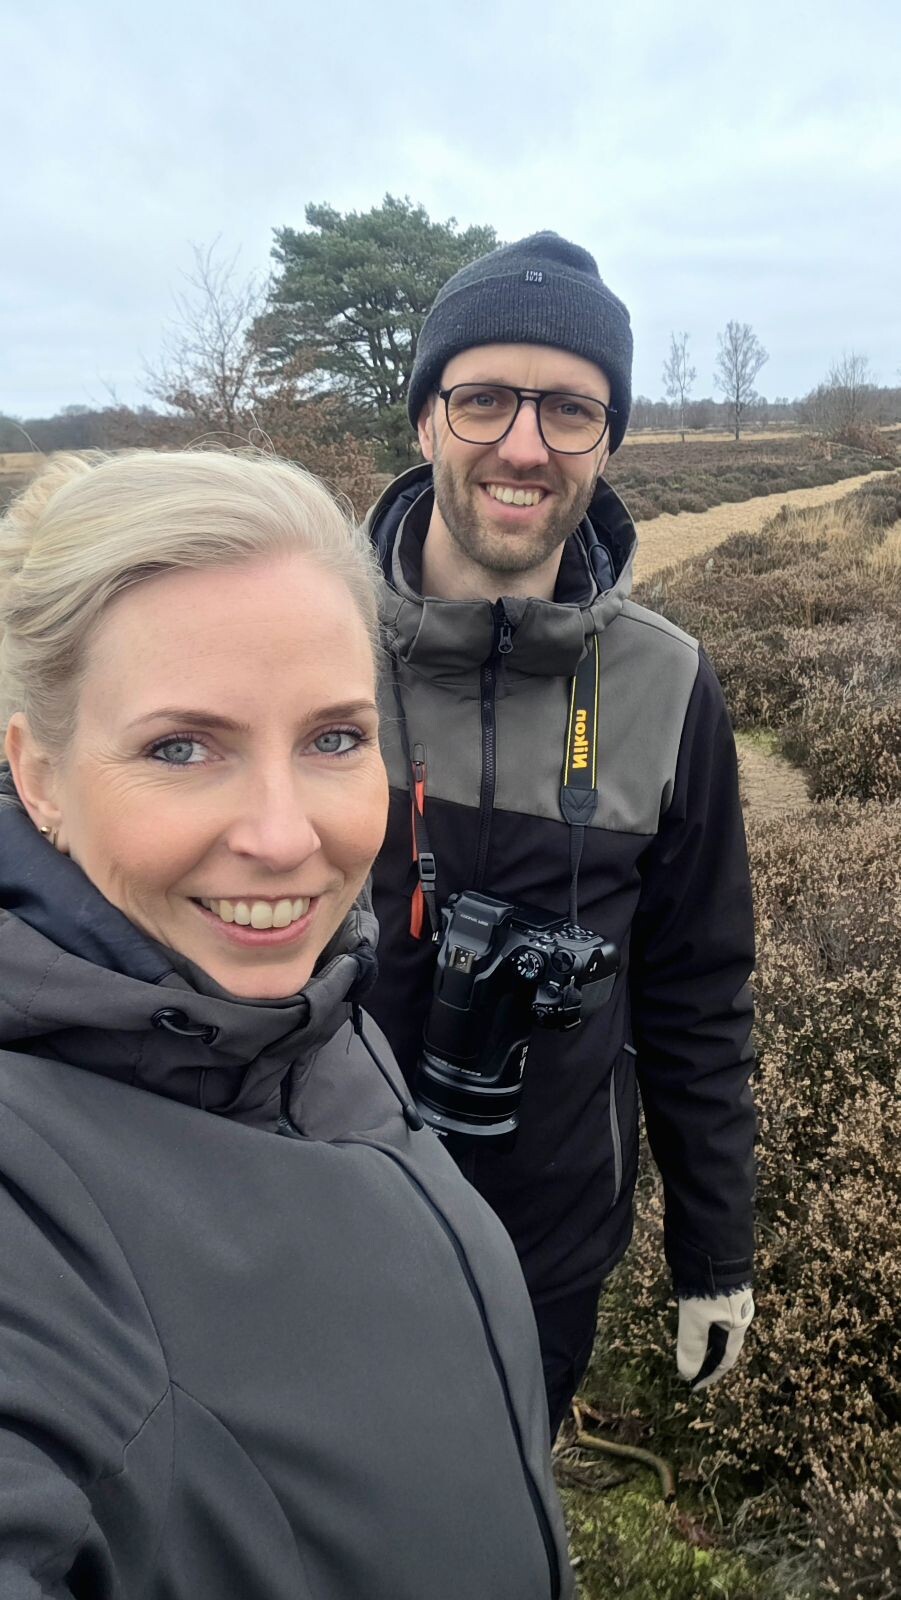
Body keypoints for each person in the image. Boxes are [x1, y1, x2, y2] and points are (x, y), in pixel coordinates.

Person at [0, 448, 574, 1600]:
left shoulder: (299, 1015)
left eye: (332, 738)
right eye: (181, 747)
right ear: (39, 774)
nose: (283, 835)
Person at [364, 232, 757, 1438]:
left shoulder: (667, 685)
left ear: (608, 441)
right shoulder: (301, 643)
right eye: (484, 398)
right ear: (425, 418)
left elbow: (698, 987)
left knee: (496, 1503)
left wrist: (713, 1248)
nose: (525, 445)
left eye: (570, 409)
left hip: (545, 1252)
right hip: (308, 1221)